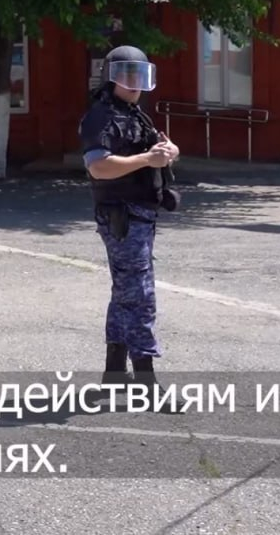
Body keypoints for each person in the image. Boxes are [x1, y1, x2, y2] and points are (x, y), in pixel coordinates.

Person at [78, 45, 180, 401]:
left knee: (125, 293)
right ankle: (146, 381)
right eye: (127, 75)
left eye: (140, 75)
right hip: (121, 215)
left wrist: (169, 152)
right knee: (140, 296)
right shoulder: (101, 117)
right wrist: (146, 160)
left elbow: (156, 150)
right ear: (111, 77)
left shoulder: (135, 114)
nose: (135, 83)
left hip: (140, 214)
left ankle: (115, 374)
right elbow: (98, 166)